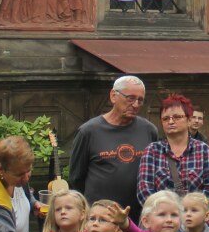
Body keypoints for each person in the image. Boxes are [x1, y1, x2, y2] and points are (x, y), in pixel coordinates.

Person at [69, 75, 162, 214]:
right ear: (113, 96)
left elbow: (156, 173)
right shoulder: (88, 132)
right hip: (100, 217)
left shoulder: (149, 130)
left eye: (140, 100)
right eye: (130, 98)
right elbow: (76, 179)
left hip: (139, 217)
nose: (136, 105)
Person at [137, 94, 209, 205]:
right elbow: (144, 191)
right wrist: (168, 213)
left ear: (189, 120)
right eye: (165, 118)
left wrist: (190, 213)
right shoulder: (152, 151)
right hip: (160, 218)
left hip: (194, 218)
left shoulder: (203, 150)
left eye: (177, 117)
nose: (170, 122)